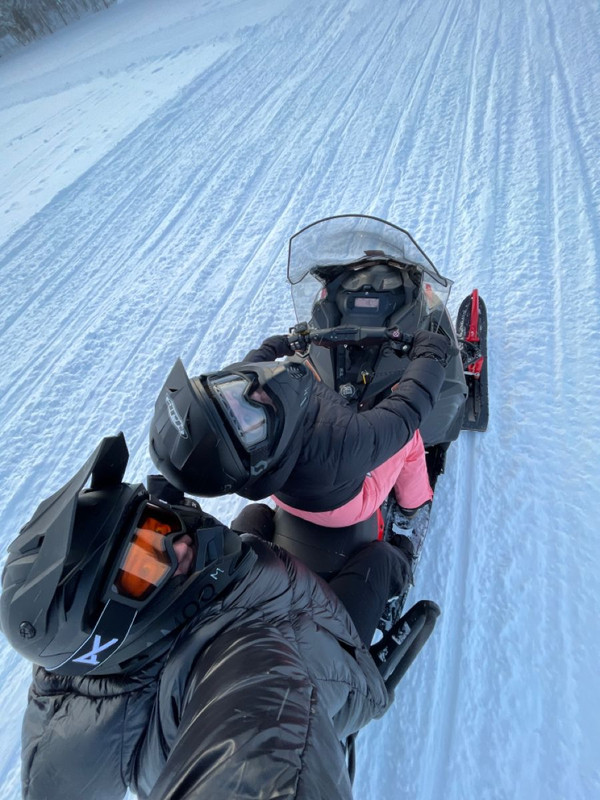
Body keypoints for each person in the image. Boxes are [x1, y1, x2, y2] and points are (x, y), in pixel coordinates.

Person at [0, 432, 411, 800]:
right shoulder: (230, 661)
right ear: (112, 629)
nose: (180, 545)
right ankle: (405, 554)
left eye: (153, 526)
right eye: (144, 569)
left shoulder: (82, 661)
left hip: (265, 592)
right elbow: (257, 736)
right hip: (327, 661)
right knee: (381, 559)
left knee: (256, 518)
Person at [149, 328, 450, 529]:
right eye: (253, 416)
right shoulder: (342, 444)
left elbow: (249, 369)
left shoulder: (240, 421)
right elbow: (406, 411)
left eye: (227, 391)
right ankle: (413, 505)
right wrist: (431, 356)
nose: (255, 392)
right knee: (409, 439)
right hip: (343, 508)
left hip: (289, 493)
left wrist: (277, 346)